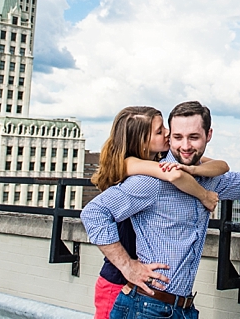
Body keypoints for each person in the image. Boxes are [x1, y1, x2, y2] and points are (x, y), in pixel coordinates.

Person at [81, 101, 240, 319]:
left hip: (183, 309)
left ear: (208, 135)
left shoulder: (206, 177)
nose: (184, 145)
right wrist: (128, 266)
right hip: (147, 306)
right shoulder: (150, 180)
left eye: (193, 137)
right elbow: (94, 213)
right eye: (176, 137)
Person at [89, 106, 231, 319]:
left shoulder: (158, 159)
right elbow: (174, 175)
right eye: (158, 131)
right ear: (140, 141)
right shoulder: (131, 164)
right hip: (119, 282)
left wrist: (194, 169)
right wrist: (204, 195)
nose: (166, 132)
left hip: (143, 286)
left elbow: (221, 166)